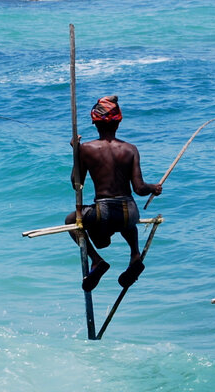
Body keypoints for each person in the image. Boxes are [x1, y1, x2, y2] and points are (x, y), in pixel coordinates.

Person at [66, 95, 163, 292]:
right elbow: (139, 189)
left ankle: (96, 261)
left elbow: (77, 185)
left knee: (70, 221)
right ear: (118, 122)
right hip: (130, 212)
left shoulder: (86, 149)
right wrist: (154, 188)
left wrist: (75, 153)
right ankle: (135, 254)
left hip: (104, 212)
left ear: (95, 123)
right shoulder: (131, 149)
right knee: (125, 219)